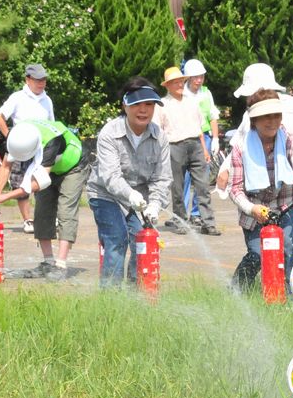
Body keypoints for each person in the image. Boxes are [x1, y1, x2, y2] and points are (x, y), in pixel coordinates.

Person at [220, 63, 293, 241]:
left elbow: (238, 143)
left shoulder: (264, 120)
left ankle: (292, 268)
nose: (272, 122)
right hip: (276, 197)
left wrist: (224, 170)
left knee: (290, 247)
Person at [87, 77, 172, 287]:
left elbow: (163, 177)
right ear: (125, 105)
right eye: (137, 104)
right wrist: (131, 195)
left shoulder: (159, 137)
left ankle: (139, 296)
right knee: (116, 239)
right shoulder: (110, 133)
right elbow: (110, 177)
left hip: (141, 198)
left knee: (142, 240)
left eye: (149, 104)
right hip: (105, 194)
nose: (143, 110)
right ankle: (112, 299)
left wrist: (155, 204)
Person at [0, 119, 90, 281]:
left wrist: (5, 197)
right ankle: (48, 262)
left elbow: (36, 184)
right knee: (42, 209)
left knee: (66, 210)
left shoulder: (50, 143)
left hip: (73, 166)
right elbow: (6, 166)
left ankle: (60, 265)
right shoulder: (17, 137)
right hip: (50, 167)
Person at [229, 89, 293, 285]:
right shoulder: (240, 146)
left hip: (287, 204)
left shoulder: (290, 139)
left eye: (276, 115)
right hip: (254, 209)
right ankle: (237, 290)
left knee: (290, 251)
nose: (272, 121)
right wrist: (251, 209)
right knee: (258, 254)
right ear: (254, 119)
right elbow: (235, 189)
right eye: (265, 116)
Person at [154, 66, 220, 236]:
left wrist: (205, 149)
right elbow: (158, 131)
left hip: (195, 145)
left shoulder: (192, 101)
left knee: (203, 185)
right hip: (174, 145)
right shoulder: (162, 104)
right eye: (175, 82)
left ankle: (208, 222)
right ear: (167, 85)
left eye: (181, 81)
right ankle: (180, 220)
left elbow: (198, 127)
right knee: (177, 186)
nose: (179, 85)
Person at [0, 63, 55, 234]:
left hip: (41, 147)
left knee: (42, 182)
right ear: (28, 80)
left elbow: (52, 123)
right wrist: (10, 137)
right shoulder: (18, 97)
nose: (41, 83)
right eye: (37, 80)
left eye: (43, 79)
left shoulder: (47, 100)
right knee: (19, 181)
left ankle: (45, 217)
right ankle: (27, 219)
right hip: (21, 144)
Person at [181, 58, 221, 226]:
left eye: (201, 77)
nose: (199, 80)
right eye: (195, 77)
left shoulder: (206, 92)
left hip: (203, 136)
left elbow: (212, 116)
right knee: (183, 178)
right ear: (188, 77)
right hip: (184, 136)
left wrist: (216, 138)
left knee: (201, 177)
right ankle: (181, 213)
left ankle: (197, 213)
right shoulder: (182, 93)